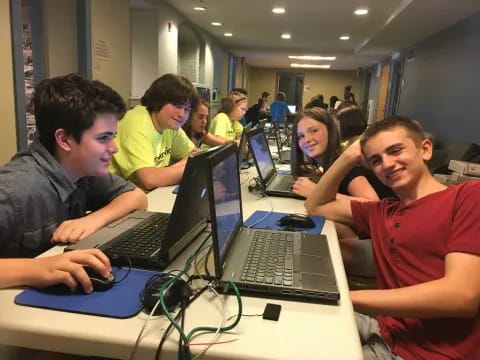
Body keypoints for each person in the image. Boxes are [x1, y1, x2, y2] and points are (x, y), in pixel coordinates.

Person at [305, 116, 480, 360]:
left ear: (425, 149)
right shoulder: (383, 211)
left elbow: (462, 296)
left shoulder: (468, 196)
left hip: (427, 352)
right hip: (388, 329)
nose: (387, 164)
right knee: (294, 320)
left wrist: (346, 297)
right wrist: (348, 156)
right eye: (376, 160)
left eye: (395, 150)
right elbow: (315, 207)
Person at [0, 73, 147, 292]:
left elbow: (138, 198)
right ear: (64, 139)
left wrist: (92, 221)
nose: (114, 148)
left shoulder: (83, 171)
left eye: (113, 136)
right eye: (103, 138)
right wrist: (34, 269)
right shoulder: (14, 191)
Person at [109, 74, 199, 190]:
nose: (182, 114)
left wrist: (165, 172)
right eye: (177, 106)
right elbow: (150, 180)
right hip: (113, 200)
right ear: (159, 100)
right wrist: (189, 168)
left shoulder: (169, 123)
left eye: (187, 109)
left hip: (148, 194)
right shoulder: (138, 124)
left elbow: (194, 154)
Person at [291, 107, 381, 201]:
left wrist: (317, 192)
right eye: (301, 136)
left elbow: (373, 204)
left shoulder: (345, 165)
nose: (307, 139)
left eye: (314, 131)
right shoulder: (330, 163)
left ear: (330, 131)